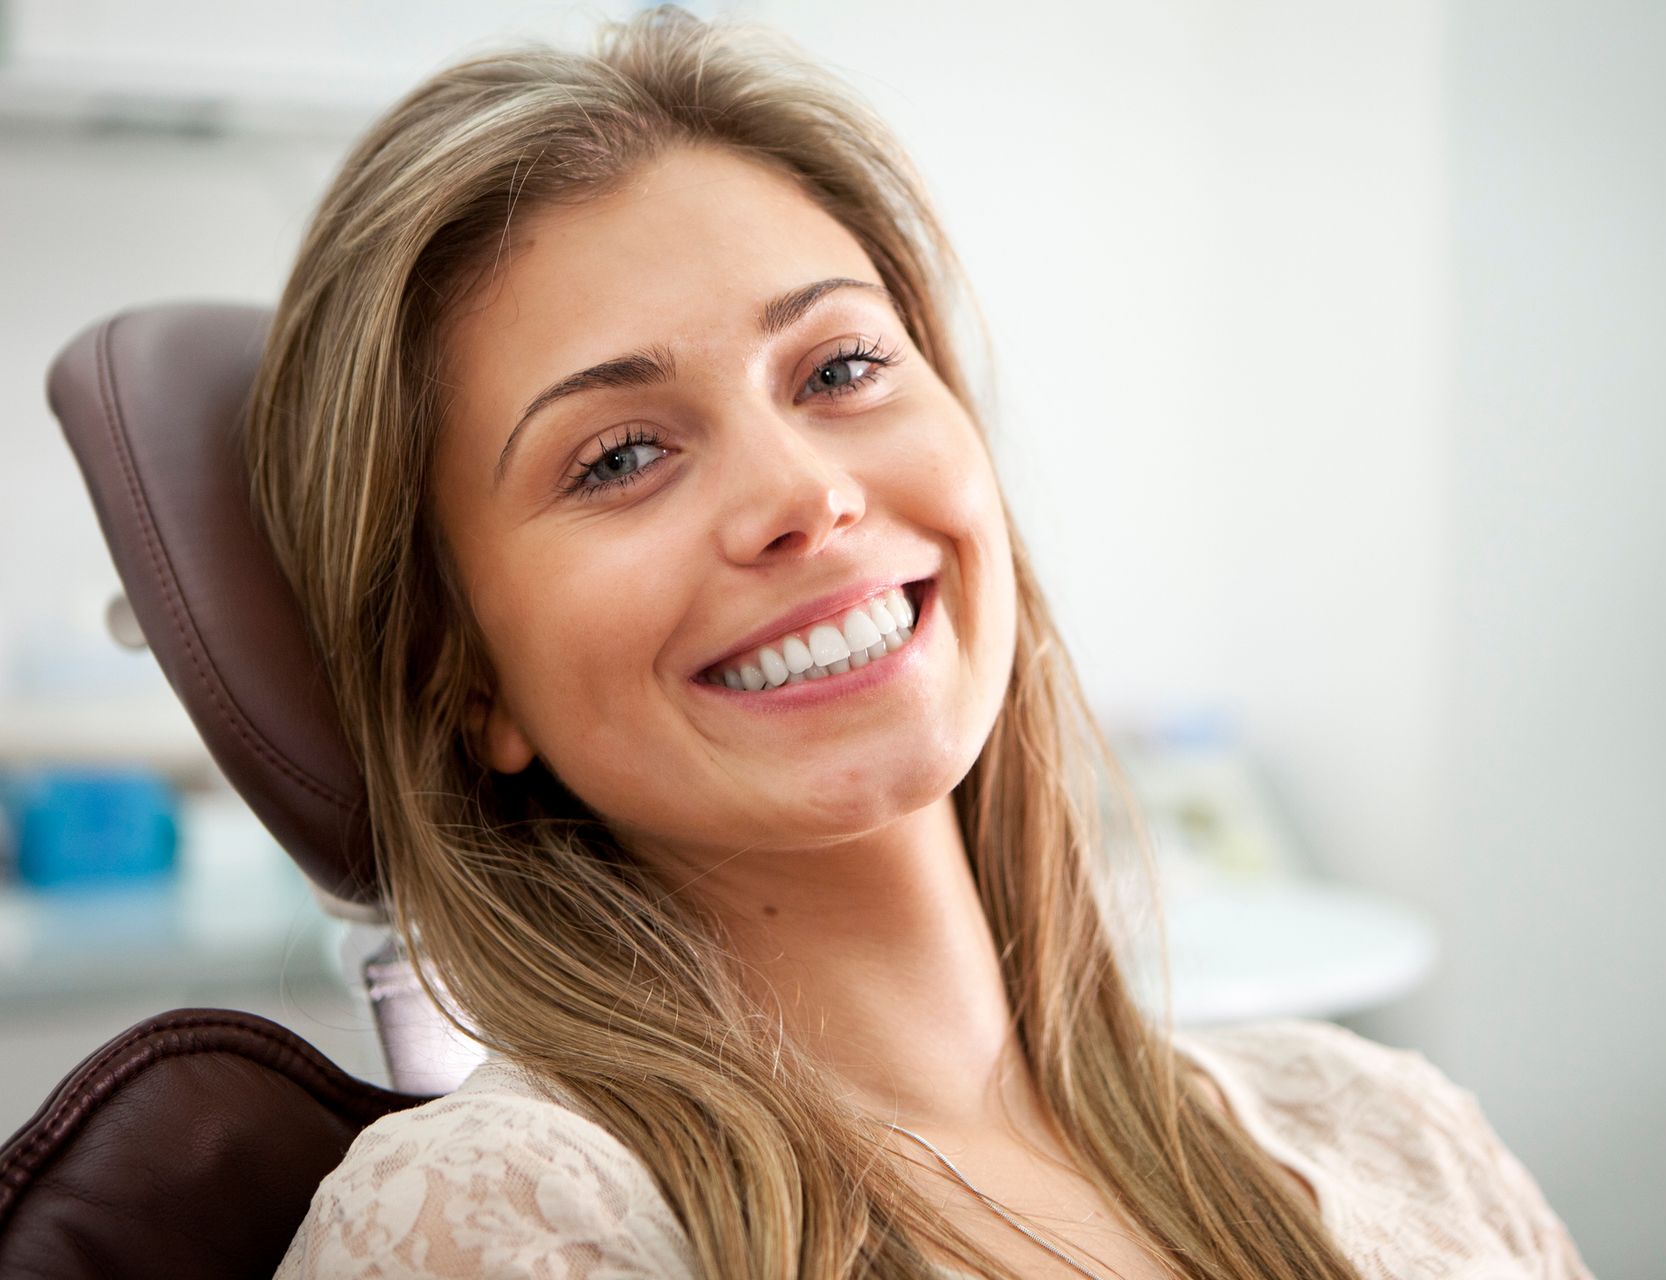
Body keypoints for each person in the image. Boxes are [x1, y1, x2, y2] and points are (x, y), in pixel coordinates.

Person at [254, 8, 1592, 1278]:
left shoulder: (1388, 1130)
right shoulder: (499, 1223)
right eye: (621, 456)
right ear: (468, 677)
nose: (805, 497)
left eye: (839, 369)